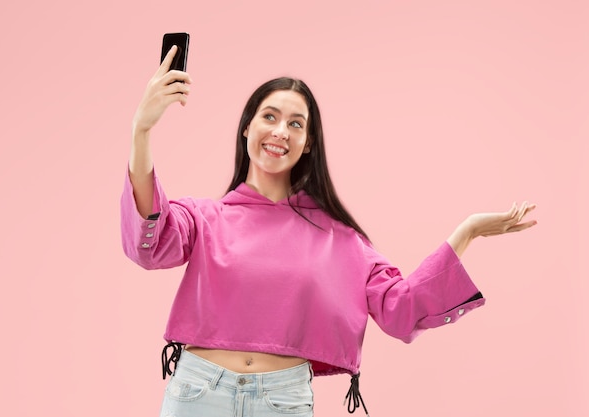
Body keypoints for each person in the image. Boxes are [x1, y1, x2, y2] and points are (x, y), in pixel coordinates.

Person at [121, 45, 537, 417]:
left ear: (308, 143)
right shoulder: (203, 217)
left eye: (296, 124)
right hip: (197, 394)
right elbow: (150, 244)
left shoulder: (342, 241)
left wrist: (467, 232)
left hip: (281, 402)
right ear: (247, 127)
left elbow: (401, 310)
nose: (280, 131)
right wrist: (142, 131)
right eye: (269, 116)